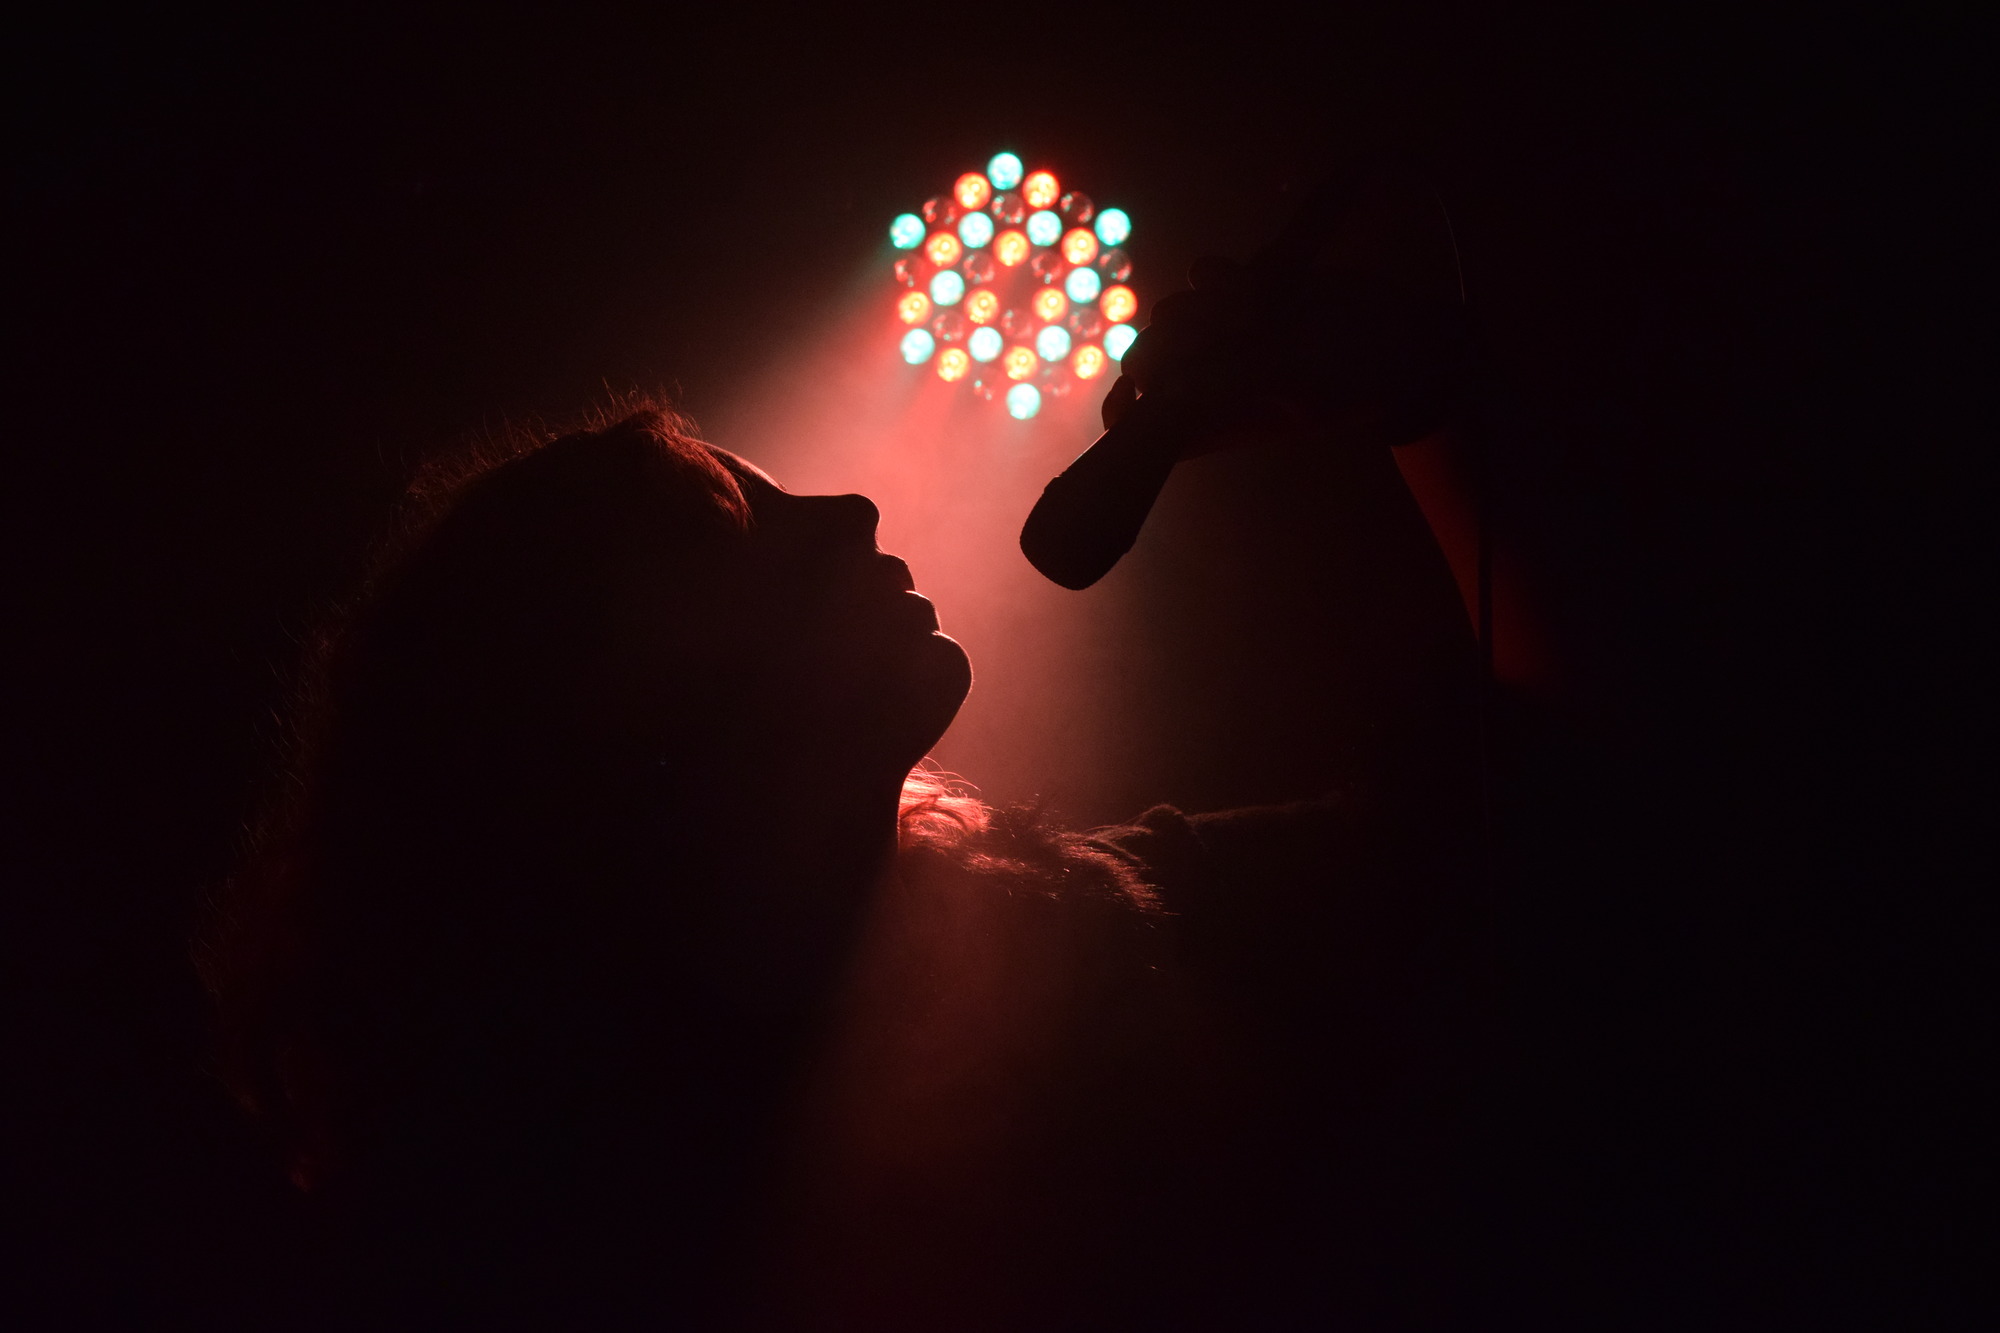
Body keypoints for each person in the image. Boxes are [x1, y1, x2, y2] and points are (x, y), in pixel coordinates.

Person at [201, 244, 1493, 1330]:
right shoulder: (586, 1236)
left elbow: (1552, 832)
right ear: (607, 720)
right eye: (738, 528)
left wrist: (1408, 394)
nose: (858, 507)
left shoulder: (1105, 918)